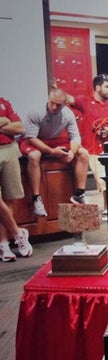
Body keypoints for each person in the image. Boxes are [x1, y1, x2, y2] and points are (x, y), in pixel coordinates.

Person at [19, 88, 90, 218]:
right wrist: (51, 151)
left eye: (58, 105)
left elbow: (75, 137)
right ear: (49, 98)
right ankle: (36, 199)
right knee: (35, 156)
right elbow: (31, 138)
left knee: (83, 153)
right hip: (33, 140)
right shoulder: (36, 111)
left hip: (53, 140)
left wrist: (72, 152)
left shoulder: (68, 114)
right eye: (52, 102)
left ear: (64, 104)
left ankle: (79, 194)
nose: (54, 107)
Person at [66, 74, 108, 220]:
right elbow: (69, 99)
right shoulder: (85, 102)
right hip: (92, 149)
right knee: (103, 182)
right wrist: (55, 89)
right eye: (107, 87)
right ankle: (105, 210)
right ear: (97, 87)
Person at [0, 97, 31, 261]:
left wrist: (3, 122)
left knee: (9, 197)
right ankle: (18, 233)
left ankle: (4, 244)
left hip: (9, 149)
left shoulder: (4, 102)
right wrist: (5, 121)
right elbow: (11, 125)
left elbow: (19, 127)